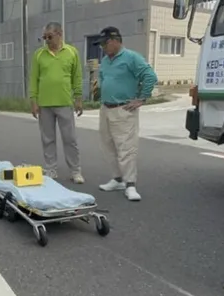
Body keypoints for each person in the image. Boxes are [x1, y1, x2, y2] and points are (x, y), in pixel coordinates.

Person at [92, 26, 158, 202]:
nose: (102, 48)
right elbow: (104, 79)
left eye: (104, 44)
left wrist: (142, 99)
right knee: (108, 146)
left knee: (126, 148)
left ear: (113, 41)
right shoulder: (106, 60)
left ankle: (130, 184)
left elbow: (150, 76)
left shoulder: (131, 58)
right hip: (106, 108)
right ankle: (117, 179)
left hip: (124, 109)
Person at [29, 22, 85, 184]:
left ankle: (75, 171)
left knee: (70, 138)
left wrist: (78, 98)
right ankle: (51, 169)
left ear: (59, 34)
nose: (46, 40)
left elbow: (77, 77)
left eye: (49, 36)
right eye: (44, 37)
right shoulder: (39, 54)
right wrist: (33, 100)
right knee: (47, 138)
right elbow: (34, 79)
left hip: (64, 102)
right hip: (44, 104)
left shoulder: (71, 52)